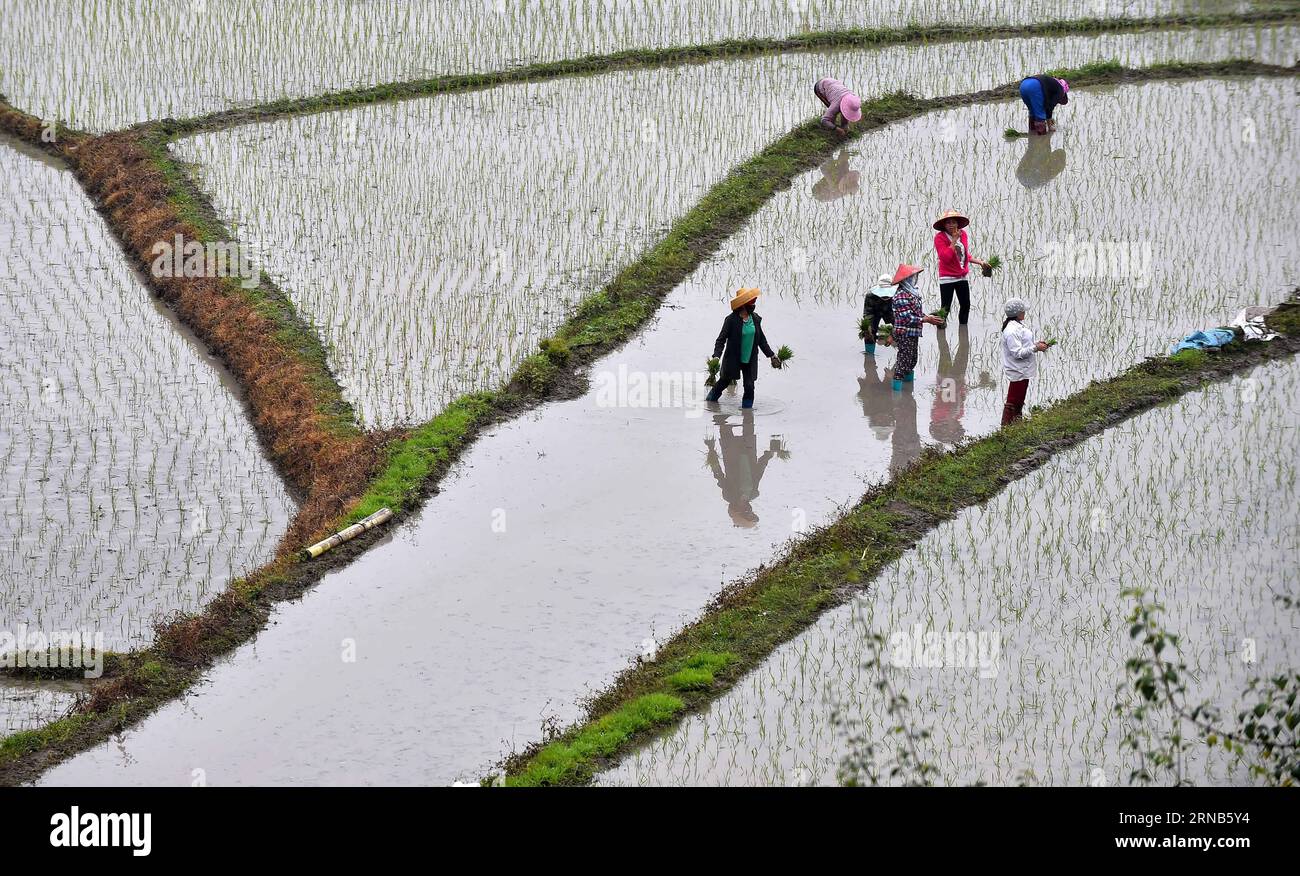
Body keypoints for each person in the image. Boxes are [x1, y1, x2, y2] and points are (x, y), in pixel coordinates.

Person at [704, 410, 788, 528]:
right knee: (749, 420)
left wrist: (711, 451)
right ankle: (742, 406)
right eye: (751, 513)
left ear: (739, 512)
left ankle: (720, 406)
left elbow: (719, 475)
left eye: (747, 514)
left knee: (722, 423)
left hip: (731, 455)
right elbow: (758, 472)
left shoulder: (729, 495)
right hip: (748, 452)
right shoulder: (753, 494)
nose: (750, 511)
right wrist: (769, 455)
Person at [706, 287, 779, 409]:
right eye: (751, 303)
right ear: (743, 305)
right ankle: (709, 403)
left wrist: (772, 355)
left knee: (749, 386)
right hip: (733, 358)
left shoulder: (755, 319)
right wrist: (716, 356)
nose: (754, 305)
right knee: (724, 382)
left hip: (750, 359)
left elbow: (761, 340)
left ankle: (747, 416)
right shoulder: (731, 320)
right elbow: (721, 339)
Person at [889, 264, 945, 391]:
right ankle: (896, 397)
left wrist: (929, 317)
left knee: (912, 359)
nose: (915, 279)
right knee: (903, 360)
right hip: (904, 332)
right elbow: (906, 318)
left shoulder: (912, 293)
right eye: (913, 277)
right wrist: (926, 319)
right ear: (906, 279)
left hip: (913, 332)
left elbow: (916, 313)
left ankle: (908, 392)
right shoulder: (901, 295)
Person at [932, 209, 989, 326]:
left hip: (962, 277)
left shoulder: (963, 234)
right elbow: (945, 258)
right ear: (944, 225)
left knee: (965, 305)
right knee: (945, 307)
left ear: (958, 223)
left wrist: (980, 262)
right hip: (947, 277)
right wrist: (953, 240)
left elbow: (964, 254)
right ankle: (940, 329)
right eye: (948, 223)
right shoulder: (940, 237)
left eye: (953, 222)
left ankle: (963, 331)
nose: (951, 225)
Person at [1000, 297, 1050, 425]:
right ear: (1018, 313)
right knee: (1013, 401)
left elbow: (1023, 345)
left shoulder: (1017, 326)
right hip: (1018, 370)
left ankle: (1016, 425)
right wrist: (1035, 348)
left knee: (1019, 400)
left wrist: (1036, 345)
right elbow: (1017, 353)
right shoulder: (1011, 331)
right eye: (1023, 311)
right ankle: (1006, 426)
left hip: (1023, 369)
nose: (1024, 313)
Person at [862, 272, 894, 354]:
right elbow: (867, 314)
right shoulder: (870, 295)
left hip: (889, 312)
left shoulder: (896, 295)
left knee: (899, 330)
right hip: (875, 312)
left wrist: (892, 334)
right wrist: (868, 329)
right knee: (869, 332)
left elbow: (899, 317)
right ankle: (869, 356)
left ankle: (900, 353)